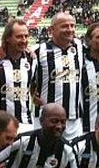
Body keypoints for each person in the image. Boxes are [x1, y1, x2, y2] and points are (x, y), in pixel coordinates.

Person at [0, 18, 36, 134]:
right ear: (7, 38)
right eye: (19, 36)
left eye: (26, 36)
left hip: (25, 125)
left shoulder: (32, 59)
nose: (24, 40)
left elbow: (35, 86)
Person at [34, 12, 84, 141]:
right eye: (64, 26)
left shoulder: (80, 47)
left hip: (74, 118)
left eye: (72, 26)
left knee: (73, 156)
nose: (70, 29)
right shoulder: (38, 51)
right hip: (47, 118)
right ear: (51, 30)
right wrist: (31, 93)